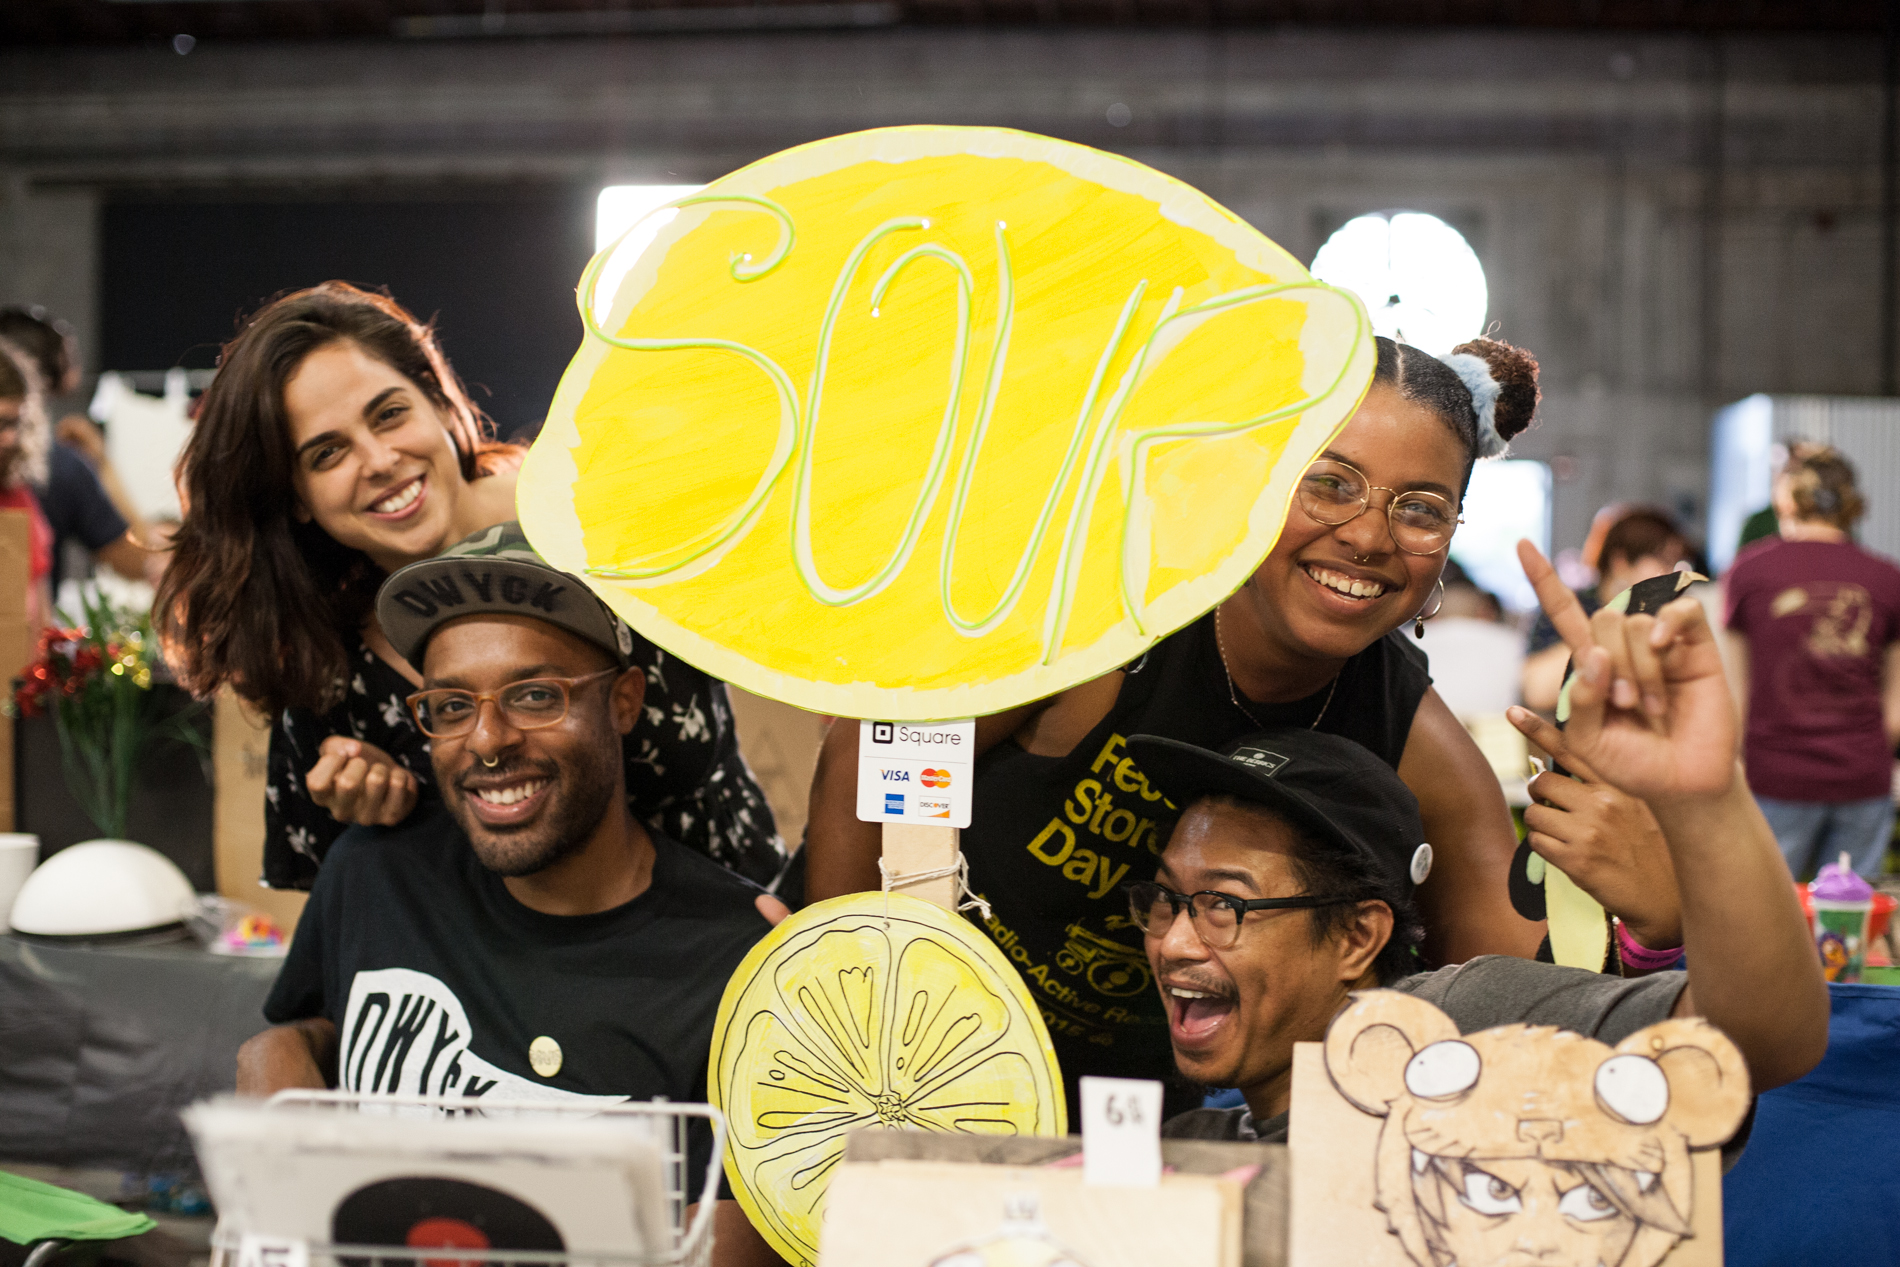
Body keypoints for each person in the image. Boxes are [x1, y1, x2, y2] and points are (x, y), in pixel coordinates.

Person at [805, 335, 1654, 1120]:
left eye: (1421, 509)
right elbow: (865, 763)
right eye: (1330, 482)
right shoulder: (1104, 623)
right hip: (913, 1066)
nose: (1368, 535)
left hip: (1144, 1124)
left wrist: (1647, 901)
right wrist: (841, 1027)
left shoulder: (1416, 744)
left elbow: (1531, 1028)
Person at [1146, 540, 1827, 1153]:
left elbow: (1748, 1045)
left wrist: (1710, 802)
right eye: (1167, 901)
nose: (1174, 941)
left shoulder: (1456, 1036)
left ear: (1358, 936)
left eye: (1223, 904)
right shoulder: (1191, 1148)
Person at [236, 526, 786, 1267]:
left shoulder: (737, 965)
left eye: (534, 696)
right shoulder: (374, 873)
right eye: (452, 705)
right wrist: (275, 1055)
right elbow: (317, 1031)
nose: (488, 740)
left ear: (623, 701)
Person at [155, 283, 784, 890]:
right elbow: (343, 908)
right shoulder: (328, 671)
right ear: (295, 498)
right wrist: (375, 820)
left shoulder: (605, 522)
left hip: (741, 932)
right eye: (327, 454)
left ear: (438, 403)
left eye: (389, 414)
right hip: (507, 965)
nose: (379, 461)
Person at [1724, 446, 1900, 880]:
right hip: (1863, 778)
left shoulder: (1748, 571)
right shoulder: (1887, 577)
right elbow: (1896, 708)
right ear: (1851, 504)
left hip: (1774, 777)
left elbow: (1734, 694)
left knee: (1766, 911)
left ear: (1785, 501)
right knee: (1848, 915)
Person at [0, 306, 150, 588]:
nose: (10, 440)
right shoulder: (62, 466)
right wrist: (102, 465)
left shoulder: (27, 488)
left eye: (12, 424)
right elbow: (141, 560)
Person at [1521, 506, 1692, 713]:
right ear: (1621, 562)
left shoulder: (1666, 617)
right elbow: (1536, 692)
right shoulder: (1569, 605)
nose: (1674, 573)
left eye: (1678, 562)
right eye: (1663, 560)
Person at [0, 339, 55, 629]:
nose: (10, 438)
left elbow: (39, 604)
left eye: (16, 424)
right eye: (1, 423)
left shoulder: (17, 494)